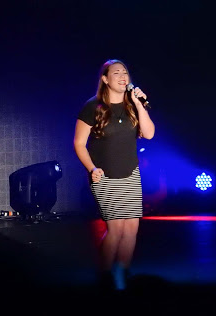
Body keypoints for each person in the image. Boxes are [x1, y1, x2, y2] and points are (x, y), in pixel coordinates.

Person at [74, 59, 155, 290]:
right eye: (116, 72)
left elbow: (148, 134)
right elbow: (79, 143)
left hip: (130, 173)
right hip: (104, 175)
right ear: (105, 79)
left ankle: (123, 272)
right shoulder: (93, 106)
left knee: (131, 228)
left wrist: (140, 104)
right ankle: (105, 275)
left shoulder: (132, 104)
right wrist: (92, 169)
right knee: (116, 228)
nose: (122, 75)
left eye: (125, 72)